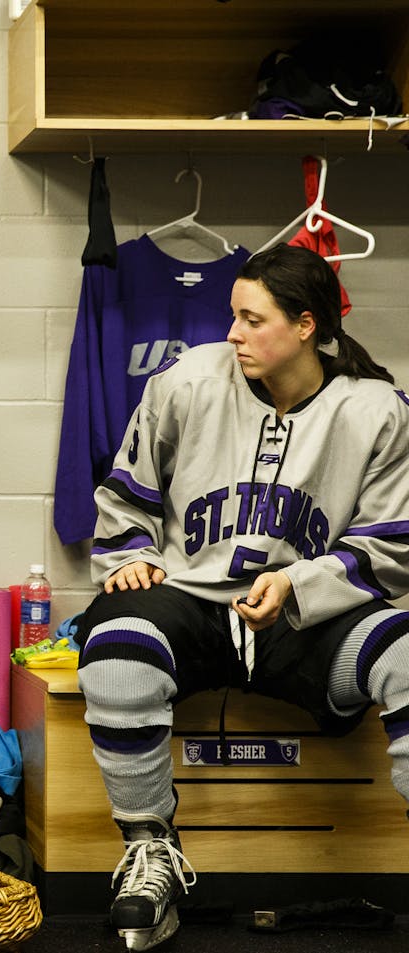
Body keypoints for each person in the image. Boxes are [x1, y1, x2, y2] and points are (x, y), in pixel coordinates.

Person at [78, 243, 409, 951]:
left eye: (250, 319)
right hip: (192, 600)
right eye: (232, 314)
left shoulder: (378, 409)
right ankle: (148, 851)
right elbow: (125, 495)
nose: (230, 333)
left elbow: (392, 545)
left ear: (306, 325)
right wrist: (132, 555)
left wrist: (301, 581)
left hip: (311, 613)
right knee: (112, 648)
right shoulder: (186, 382)